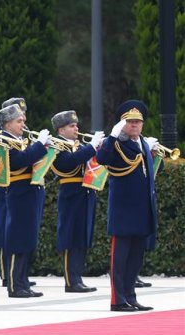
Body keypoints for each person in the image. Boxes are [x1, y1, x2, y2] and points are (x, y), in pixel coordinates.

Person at [96, 100, 161, 312]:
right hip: (123, 212)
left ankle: (131, 296)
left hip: (142, 210)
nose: (134, 125)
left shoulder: (142, 144)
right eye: (129, 121)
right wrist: (112, 136)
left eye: (137, 122)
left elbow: (150, 174)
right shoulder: (115, 144)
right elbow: (102, 158)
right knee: (120, 259)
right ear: (122, 124)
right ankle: (118, 300)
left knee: (135, 259)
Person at [0, 104, 49, 298]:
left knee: (28, 239)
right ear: (7, 124)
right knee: (18, 239)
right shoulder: (4, 140)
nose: (23, 123)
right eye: (19, 121)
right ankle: (14, 285)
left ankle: (23, 282)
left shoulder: (20, 139)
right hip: (18, 193)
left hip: (30, 192)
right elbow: (19, 161)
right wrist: (39, 145)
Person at [50, 111, 104, 293]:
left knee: (82, 236)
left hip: (86, 193)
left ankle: (78, 277)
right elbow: (68, 163)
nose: (76, 129)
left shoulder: (80, 146)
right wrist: (91, 147)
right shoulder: (57, 146)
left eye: (76, 125)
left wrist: (98, 148)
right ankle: (70, 280)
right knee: (70, 237)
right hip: (71, 194)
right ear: (61, 129)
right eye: (72, 126)